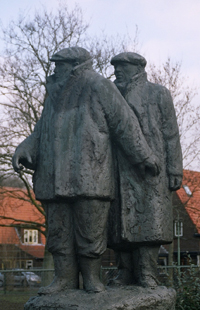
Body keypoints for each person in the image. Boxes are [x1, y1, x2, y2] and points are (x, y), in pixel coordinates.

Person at [12, 47, 159, 294]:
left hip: (91, 175)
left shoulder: (99, 86)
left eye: (60, 64)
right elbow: (41, 130)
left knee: (90, 233)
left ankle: (92, 278)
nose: (55, 68)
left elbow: (125, 124)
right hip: (53, 176)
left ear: (76, 65)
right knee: (59, 234)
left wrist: (143, 156)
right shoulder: (54, 93)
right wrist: (25, 147)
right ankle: (64, 279)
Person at [108, 52, 183, 287]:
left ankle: (147, 272)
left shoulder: (158, 93)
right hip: (116, 166)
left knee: (149, 220)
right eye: (115, 67)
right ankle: (125, 270)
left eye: (122, 66)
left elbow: (171, 134)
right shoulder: (110, 93)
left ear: (138, 67)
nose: (117, 70)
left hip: (152, 169)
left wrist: (175, 170)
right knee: (119, 221)